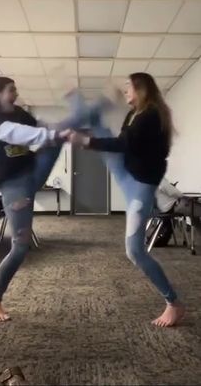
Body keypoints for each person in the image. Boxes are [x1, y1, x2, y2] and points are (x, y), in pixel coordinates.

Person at [64, 73, 185, 327]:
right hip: (128, 174)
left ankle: (173, 303)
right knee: (96, 124)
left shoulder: (151, 115)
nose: (126, 91)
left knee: (135, 251)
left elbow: (123, 143)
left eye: (129, 87)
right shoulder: (134, 115)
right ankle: (78, 99)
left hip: (140, 186)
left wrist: (85, 141)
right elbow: (121, 142)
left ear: (141, 89)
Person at [0, 77, 94, 322]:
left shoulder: (19, 112)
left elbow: (42, 128)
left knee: (58, 134)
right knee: (20, 246)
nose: (16, 93)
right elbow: (19, 134)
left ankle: (84, 106)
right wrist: (58, 134)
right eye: (11, 90)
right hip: (13, 185)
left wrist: (60, 131)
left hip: (33, 170)